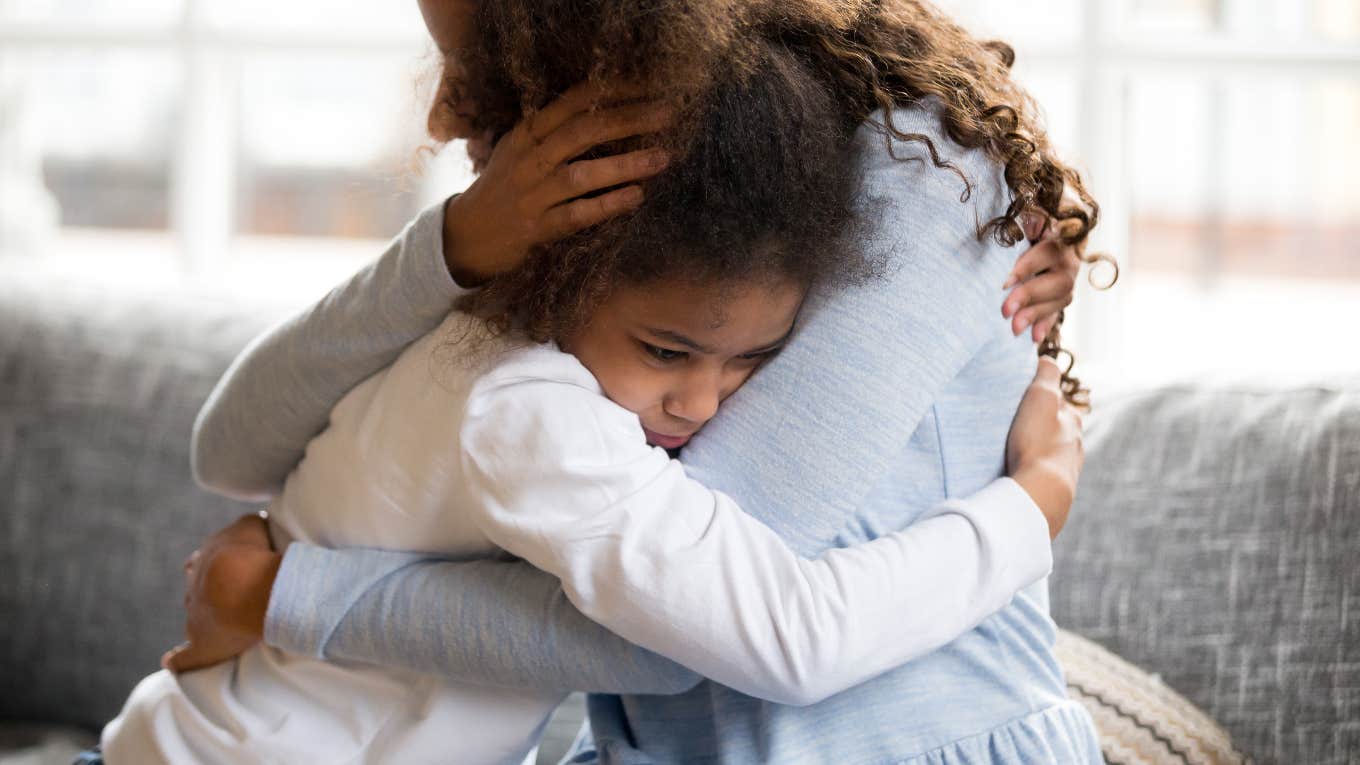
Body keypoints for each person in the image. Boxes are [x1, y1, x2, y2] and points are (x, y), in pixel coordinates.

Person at [96, 33, 1083, 765]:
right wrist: (456, 242)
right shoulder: (574, 281)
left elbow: (713, 633)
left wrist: (279, 594)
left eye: (470, 47)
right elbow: (229, 447)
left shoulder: (916, 167)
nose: (439, 117)